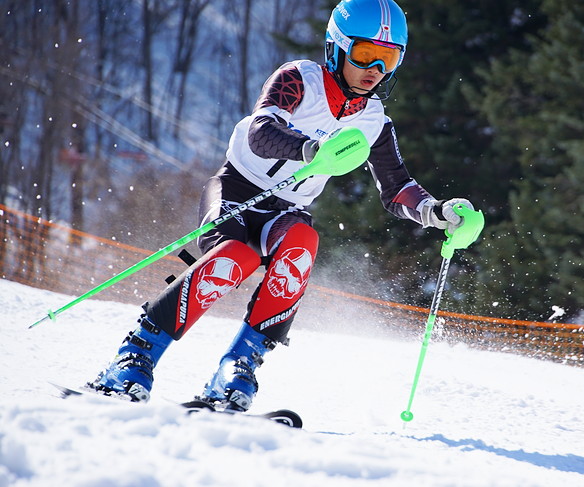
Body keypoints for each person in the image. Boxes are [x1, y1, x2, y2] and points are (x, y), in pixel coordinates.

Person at [91, 0, 475, 411]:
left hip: (287, 208)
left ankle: (238, 368)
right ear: (337, 47)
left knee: (301, 245)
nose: (375, 71)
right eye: (365, 55)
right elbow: (260, 132)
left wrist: (437, 212)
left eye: (388, 59)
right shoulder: (299, 79)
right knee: (233, 257)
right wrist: (311, 148)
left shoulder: (375, 120)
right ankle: (134, 357)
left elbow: (396, 188)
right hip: (238, 189)